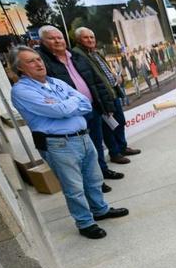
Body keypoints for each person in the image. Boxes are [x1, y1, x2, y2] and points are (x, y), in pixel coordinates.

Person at [9, 47, 129, 239]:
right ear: (20, 68)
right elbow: (59, 111)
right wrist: (68, 104)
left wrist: (65, 105)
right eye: (31, 61)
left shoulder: (55, 82)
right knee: (74, 188)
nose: (39, 63)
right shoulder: (21, 91)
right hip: (59, 144)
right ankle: (85, 222)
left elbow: (85, 102)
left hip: (82, 136)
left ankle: (100, 209)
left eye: (38, 59)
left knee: (94, 179)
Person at [36, 25, 123, 191]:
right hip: (71, 115)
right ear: (42, 41)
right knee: (82, 151)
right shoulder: (43, 62)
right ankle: (95, 183)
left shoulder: (75, 56)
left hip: (92, 109)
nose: (57, 41)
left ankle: (102, 172)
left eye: (59, 37)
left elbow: (96, 82)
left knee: (95, 146)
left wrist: (105, 105)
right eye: (51, 38)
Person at [72, 27, 142, 166]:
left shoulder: (95, 53)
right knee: (108, 127)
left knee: (119, 122)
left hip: (112, 93)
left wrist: (115, 78)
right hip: (102, 98)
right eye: (86, 37)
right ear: (78, 40)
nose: (90, 40)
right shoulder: (78, 56)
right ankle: (115, 153)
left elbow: (104, 73)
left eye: (92, 37)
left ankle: (122, 147)